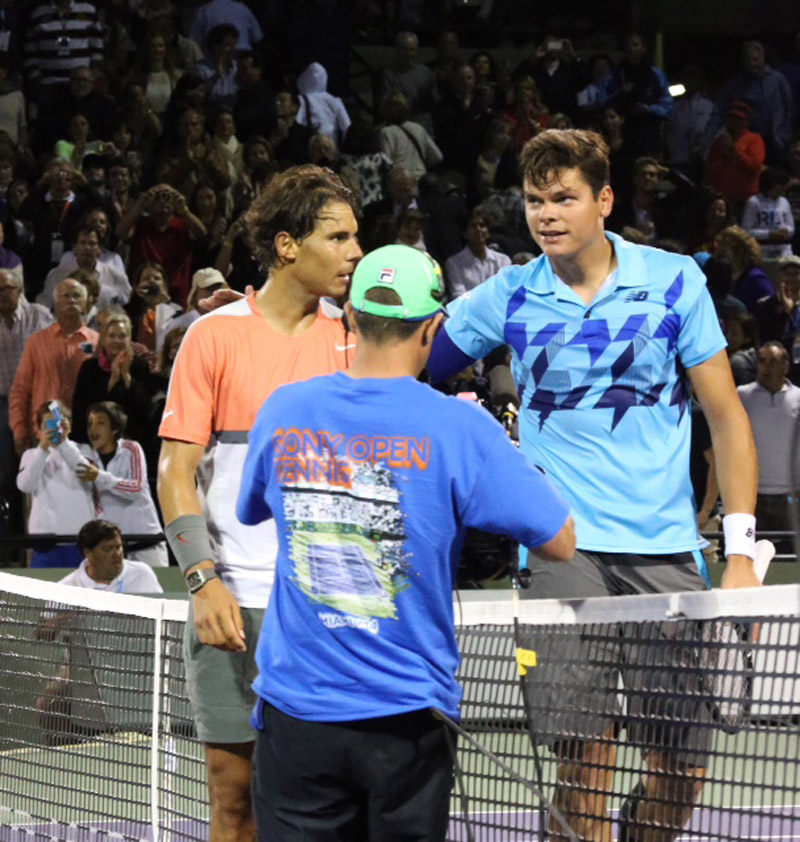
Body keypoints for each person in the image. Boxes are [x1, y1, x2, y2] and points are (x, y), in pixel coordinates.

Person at [426, 128, 760, 842]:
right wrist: (299, 318)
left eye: (564, 198)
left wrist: (739, 551)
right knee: (586, 763)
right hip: (560, 549)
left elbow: (728, 418)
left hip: (666, 551)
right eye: (534, 200)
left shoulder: (674, 280)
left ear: (604, 200)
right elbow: (407, 357)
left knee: (682, 774)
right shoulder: (511, 293)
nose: (546, 214)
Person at [237, 243, 575, 841]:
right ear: (433, 328)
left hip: (298, 715)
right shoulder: (461, 427)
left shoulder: (285, 408)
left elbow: (253, 507)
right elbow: (559, 539)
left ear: (349, 317)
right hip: (408, 722)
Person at [157, 164, 362, 842]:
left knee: (330, 799)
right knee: (234, 801)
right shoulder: (213, 336)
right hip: (234, 604)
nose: (355, 252)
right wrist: (202, 579)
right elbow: (175, 471)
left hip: (330, 607)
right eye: (338, 237)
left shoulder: (357, 340)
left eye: (354, 237)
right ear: (287, 246)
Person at [34, 519, 163, 742]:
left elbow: (161, 619)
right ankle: (74, 751)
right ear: (88, 553)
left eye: (119, 547)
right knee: (49, 704)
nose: (117, 554)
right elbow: (42, 634)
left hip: (136, 661)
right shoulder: (67, 587)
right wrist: (65, 618)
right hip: (81, 666)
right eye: (107, 549)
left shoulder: (142, 574)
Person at [56, 401, 167, 566]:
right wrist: (62, 438)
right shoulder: (88, 457)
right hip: (114, 549)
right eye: (90, 423)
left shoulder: (131, 449)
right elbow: (71, 455)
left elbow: (135, 489)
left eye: (100, 423)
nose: (93, 429)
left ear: (114, 428)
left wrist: (99, 476)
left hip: (148, 544)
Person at [9, 278, 98, 455]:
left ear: (85, 304)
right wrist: (19, 431)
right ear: (55, 303)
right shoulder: (37, 341)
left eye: (76, 295)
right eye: (65, 295)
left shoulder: (97, 341)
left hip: (85, 432)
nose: (71, 300)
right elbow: (20, 389)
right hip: (45, 431)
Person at [17, 400, 96, 568]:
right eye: (48, 424)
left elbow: (87, 475)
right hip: (45, 542)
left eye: (58, 423)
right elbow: (25, 486)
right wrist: (43, 449)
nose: (53, 428)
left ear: (69, 426)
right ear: (39, 430)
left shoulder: (84, 450)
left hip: (80, 542)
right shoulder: (31, 455)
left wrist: (64, 444)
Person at [737, 342, 800, 554]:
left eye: (773, 362)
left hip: (791, 496)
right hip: (752, 495)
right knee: (750, 556)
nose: (766, 367)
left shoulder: (798, 398)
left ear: (786, 366)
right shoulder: (742, 396)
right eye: (762, 361)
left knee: (792, 557)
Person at [445, 206, 511, 299]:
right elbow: (459, 297)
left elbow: (506, 292)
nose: (478, 229)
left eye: (482, 225)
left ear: (488, 232)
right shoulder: (454, 263)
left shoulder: (503, 260)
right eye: (473, 226)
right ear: (464, 234)